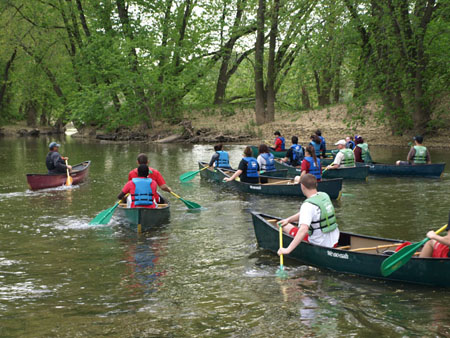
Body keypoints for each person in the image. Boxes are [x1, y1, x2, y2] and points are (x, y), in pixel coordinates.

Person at [277, 174, 340, 256]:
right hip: (335, 240)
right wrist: (288, 220)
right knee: (288, 223)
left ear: (302, 186)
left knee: (281, 225)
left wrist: (287, 250)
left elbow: (303, 230)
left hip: (321, 244)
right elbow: (307, 214)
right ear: (316, 184)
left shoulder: (307, 205)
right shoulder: (324, 195)